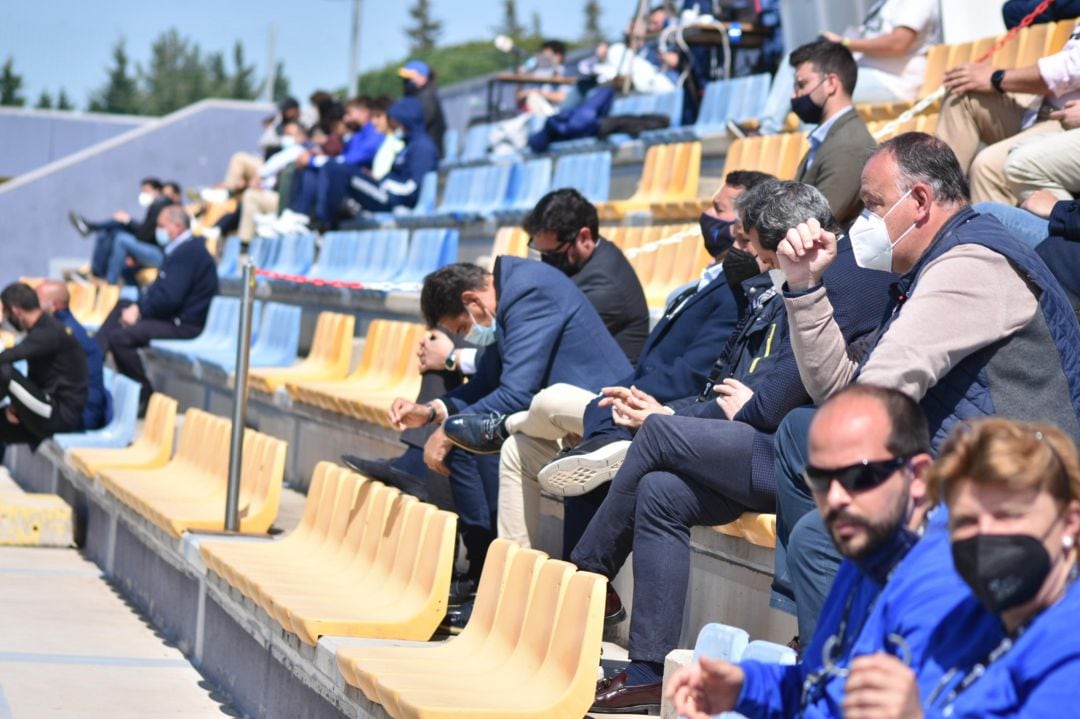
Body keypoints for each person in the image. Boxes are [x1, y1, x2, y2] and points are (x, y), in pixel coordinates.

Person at [556, 182, 895, 714]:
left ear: (787, 242)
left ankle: (587, 576)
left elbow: (779, 396)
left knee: (662, 434)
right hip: (767, 444)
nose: (759, 266)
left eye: (763, 254)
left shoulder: (847, 277)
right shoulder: (821, 271)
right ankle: (648, 670)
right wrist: (745, 405)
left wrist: (745, 407)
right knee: (662, 491)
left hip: (801, 459)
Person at [772, 132, 1080, 641]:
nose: (859, 223)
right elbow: (844, 398)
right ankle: (841, 635)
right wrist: (805, 288)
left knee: (818, 539)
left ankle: (852, 674)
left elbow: (873, 398)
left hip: (1016, 494)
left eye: (871, 204)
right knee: (800, 431)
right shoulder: (935, 261)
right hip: (962, 471)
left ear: (918, 202)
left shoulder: (971, 265)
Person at [666, 384, 935, 719]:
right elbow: (822, 685)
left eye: (859, 475)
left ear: (919, 477)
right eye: (820, 479)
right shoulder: (862, 557)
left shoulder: (963, 589)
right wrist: (743, 685)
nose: (835, 497)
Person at [387, 259, 632, 587]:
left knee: (476, 437)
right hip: (560, 425)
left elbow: (515, 394)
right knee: (497, 444)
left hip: (602, 417)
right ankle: (508, 581)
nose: (467, 336)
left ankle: (497, 576)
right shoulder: (509, 295)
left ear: (473, 301)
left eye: (461, 329)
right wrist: (431, 412)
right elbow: (488, 379)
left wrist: (449, 431)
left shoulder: (528, 292)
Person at [842, 418, 1080, 719]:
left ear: (1069, 522)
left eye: (1006, 515)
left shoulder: (1069, 642)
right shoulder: (965, 618)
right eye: (967, 521)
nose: (986, 534)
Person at [936, 18, 1080, 204]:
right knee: (963, 90)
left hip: (1066, 119)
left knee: (988, 166)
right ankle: (936, 199)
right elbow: (1013, 11)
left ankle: (984, 231)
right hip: (1043, 110)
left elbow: (1070, 68)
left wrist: (997, 78)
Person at [749, 0, 939, 136]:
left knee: (815, 94)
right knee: (797, 63)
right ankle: (767, 132)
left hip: (893, 82)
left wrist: (845, 43)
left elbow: (898, 43)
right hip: (865, 73)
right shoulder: (885, 4)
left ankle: (768, 133)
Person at [95, 206, 219, 413]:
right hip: (172, 317)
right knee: (123, 305)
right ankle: (92, 358)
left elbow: (169, 298)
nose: (157, 231)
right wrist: (137, 307)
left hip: (184, 324)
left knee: (120, 338)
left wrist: (140, 312)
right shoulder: (180, 250)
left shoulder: (188, 252)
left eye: (161, 226)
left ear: (177, 227)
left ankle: (144, 393)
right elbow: (159, 291)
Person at [522, 188, 649, 363]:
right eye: (540, 252)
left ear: (584, 238)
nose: (546, 261)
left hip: (608, 385)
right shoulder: (586, 260)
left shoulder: (604, 287)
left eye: (553, 254)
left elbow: (543, 337)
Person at [788, 40, 878, 227]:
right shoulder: (830, 136)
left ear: (830, 83)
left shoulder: (849, 145)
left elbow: (816, 223)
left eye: (801, 85)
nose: (794, 95)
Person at [0, 283, 87, 445]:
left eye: (5, 313)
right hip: (44, 406)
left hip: (58, 414)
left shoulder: (48, 332)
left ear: (15, 311)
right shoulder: (43, 327)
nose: (5, 319)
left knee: (5, 373)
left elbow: (8, 357)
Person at [333, 97, 438, 226]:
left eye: (397, 122)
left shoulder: (422, 147)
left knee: (341, 171)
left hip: (397, 200)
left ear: (407, 121)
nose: (395, 126)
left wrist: (385, 184)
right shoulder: (409, 144)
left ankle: (326, 223)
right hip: (391, 194)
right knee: (336, 169)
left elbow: (414, 187)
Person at [289, 96, 384, 226]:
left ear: (364, 112)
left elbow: (346, 162)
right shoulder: (357, 136)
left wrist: (312, 160)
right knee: (309, 170)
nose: (346, 118)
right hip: (349, 184)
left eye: (350, 113)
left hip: (362, 189)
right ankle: (298, 215)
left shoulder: (374, 135)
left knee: (326, 168)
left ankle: (320, 222)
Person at [70, 177, 176, 284]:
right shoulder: (157, 206)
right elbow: (146, 232)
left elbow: (144, 235)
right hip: (153, 249)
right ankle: (92, 230)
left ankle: (110, 281)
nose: (143, 194)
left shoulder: (161, 206)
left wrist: (128, 221)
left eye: (146, 191)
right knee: (109, 232)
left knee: (121, 239)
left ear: (157, 191)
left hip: (160, 254)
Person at [35, 281, 108, 431]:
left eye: (37, 302)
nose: (32, 307)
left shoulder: (68, 335)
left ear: (54, 306)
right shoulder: (58, 328)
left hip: (81, 416)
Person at [399, 60, 447, 158]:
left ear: (423, 78)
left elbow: (420, 121)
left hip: (428, 153)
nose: (406, 83)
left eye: (410, 79)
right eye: (405, 79)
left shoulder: (426, 97)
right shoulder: (418, 97)